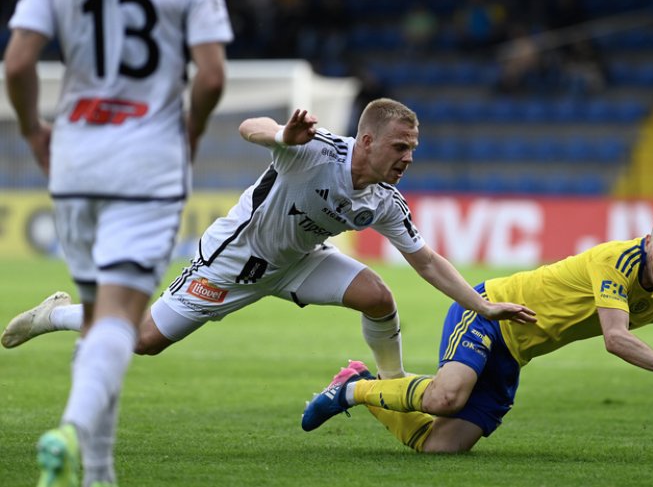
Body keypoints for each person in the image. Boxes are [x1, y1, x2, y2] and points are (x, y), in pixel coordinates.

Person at [2, 98, 536, 426]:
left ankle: (391, 385)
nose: (408, 158)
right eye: (400, 146)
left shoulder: (383, 199)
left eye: (413, 149)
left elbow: (428, 262)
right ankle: (56, 314)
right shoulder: (315, 149)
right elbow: (250, 127)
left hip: (299, 261)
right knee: (143, 341)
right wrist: (283, 134)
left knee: (379, 296)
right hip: (236, 260)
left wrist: (481, 307)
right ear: (367, 141)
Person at [301, 204, 653, 453]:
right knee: (447, 397)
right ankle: (352, 392)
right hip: (491, 309)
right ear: (649, 240)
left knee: (440, 447)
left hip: (516, 352)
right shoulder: (616, 261)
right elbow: (615, 338)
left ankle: (361, 382)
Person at [3, 0, 232, 485]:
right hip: (147, 162)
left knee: (97, 317)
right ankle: (69, 431)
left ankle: (99, 475)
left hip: (76, 157)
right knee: (118, 321)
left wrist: (30, 130)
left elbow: (17, 64)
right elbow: (212, 76)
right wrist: (190, 131)